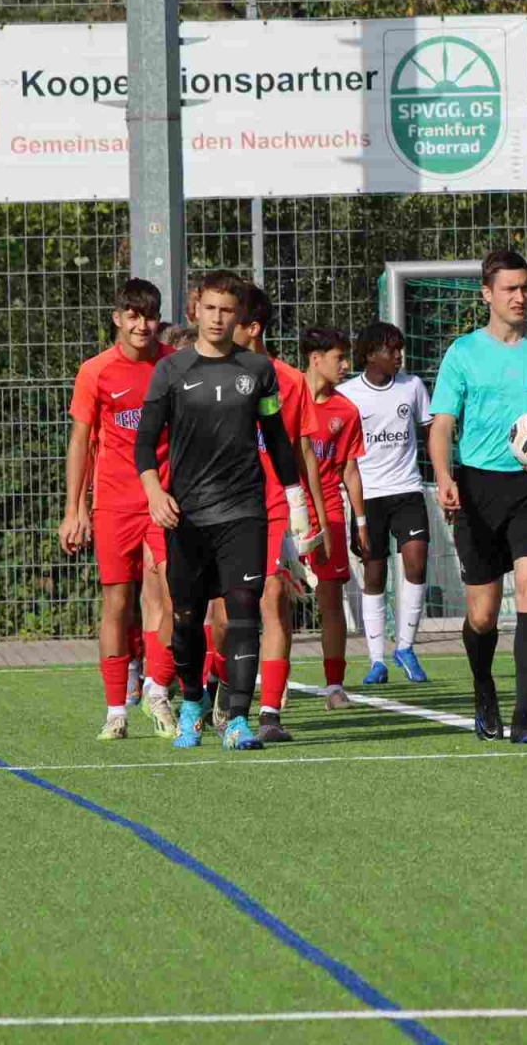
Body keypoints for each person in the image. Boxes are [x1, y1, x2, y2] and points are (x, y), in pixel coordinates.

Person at [134, 270, 313, 751]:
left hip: (245, 513)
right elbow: (145, 443)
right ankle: (192, 700)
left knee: (243, 613)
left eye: (227, 310)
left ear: (240, 317)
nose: (217, 318)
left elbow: (278, 441)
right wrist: (154, 491)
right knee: (188, 618)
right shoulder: (171, 371)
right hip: (187, 516)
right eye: (210, 308)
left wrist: (296, 505)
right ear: (195, 310)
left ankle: (236, 717)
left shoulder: (258, 371)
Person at [428, 248, 527, 743]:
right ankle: (483, 688)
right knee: (482, 614)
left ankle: (524, 717)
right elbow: (443, 423)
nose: (519, 297)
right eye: (509, 289)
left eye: (524, 287)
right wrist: (444, 477)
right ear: (487, 294)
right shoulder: (463, 352)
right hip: (477, 486)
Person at [59, 277, 179, 741]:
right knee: (117, 601)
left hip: (166, 503)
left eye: (149, 316)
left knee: (171, 596)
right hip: (114, 505)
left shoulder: (175, 366)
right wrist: (75, 509)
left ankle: (158, 690)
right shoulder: (95, 372)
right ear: (117, 318)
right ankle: (115, 711)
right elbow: (81, 442)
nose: (141, 325)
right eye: (133, 316)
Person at [209, 286, 327, 739]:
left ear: (252, 327)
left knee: (274, 601)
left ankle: (270, 714)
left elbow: (300, 450)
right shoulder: (207, 377)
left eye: (231, 318)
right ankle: (219, 680)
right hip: (221, 507)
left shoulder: (291, 381)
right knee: (223, 617)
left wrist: (309, 512)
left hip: (273, 506)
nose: (219, 325)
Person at [339, 321, 434, 683]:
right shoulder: (348, 395)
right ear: (369, 355)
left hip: (407, 489)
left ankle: (406, 647)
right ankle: (377, 660)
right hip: (368, 495)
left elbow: (430, 434)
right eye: (391, 350)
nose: (399, 356)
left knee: (416, 561)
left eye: (400, 349)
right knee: (374, 573)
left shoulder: (412, 387)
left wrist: (443, 477)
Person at [303, 326, 369, 706]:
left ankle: (334, 684)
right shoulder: (282, 398)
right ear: (316, 359)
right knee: (270, 598)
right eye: (339, 358)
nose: (346, 365)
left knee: (331, 598)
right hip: (282, 508)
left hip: (328, 510)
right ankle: (268, 687)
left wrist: (360, 521)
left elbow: (349, 470)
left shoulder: (346, 410)